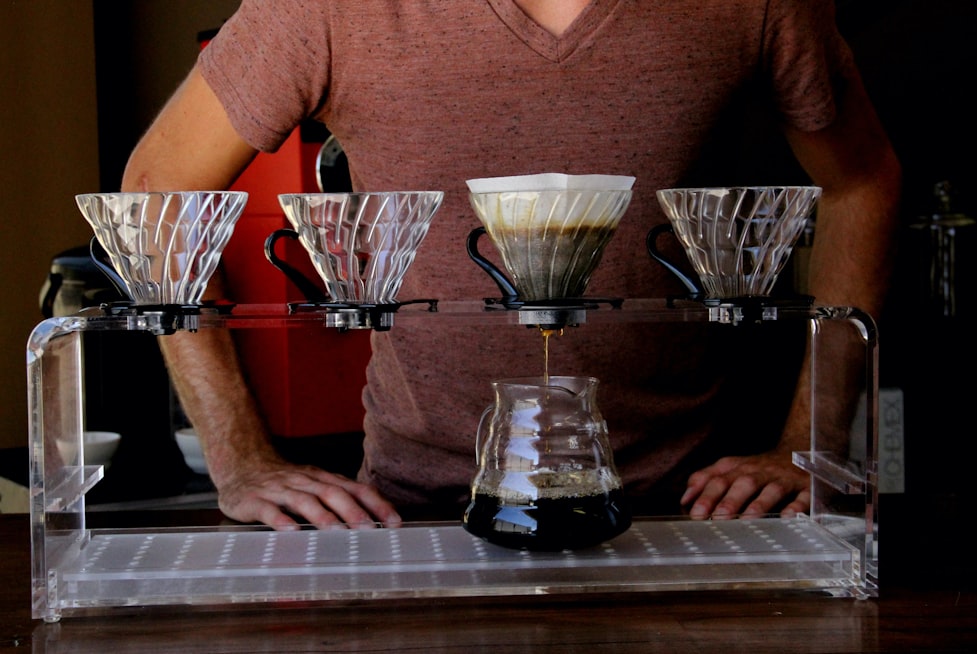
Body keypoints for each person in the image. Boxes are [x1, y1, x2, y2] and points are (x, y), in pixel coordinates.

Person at [122, 0, 900, 530]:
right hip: (413, 515)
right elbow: (157, 188)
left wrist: (813, 445)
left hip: (684, 513)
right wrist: (237, 458)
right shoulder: (327, 8)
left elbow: (862, 179)